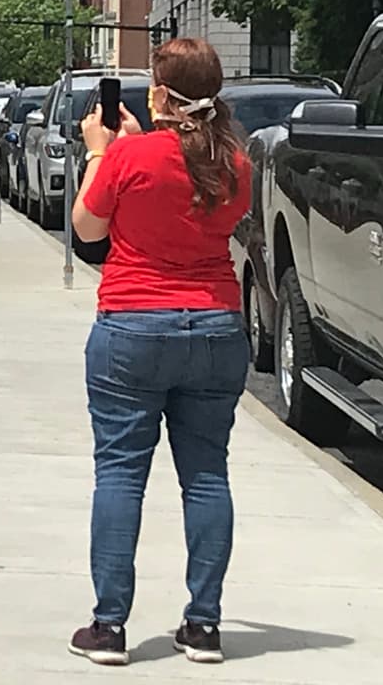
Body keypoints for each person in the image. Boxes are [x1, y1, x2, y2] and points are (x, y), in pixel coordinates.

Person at [66, 37, 252, 666]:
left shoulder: (130, 154)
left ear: (163, 96)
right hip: (217, 326)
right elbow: (204, 203)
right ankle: (203, 625)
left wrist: (100, 152)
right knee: (207, 475)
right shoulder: (236, 162)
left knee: (121, 474)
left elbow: (87, 228)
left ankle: (109, 627)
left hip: (133, 325)